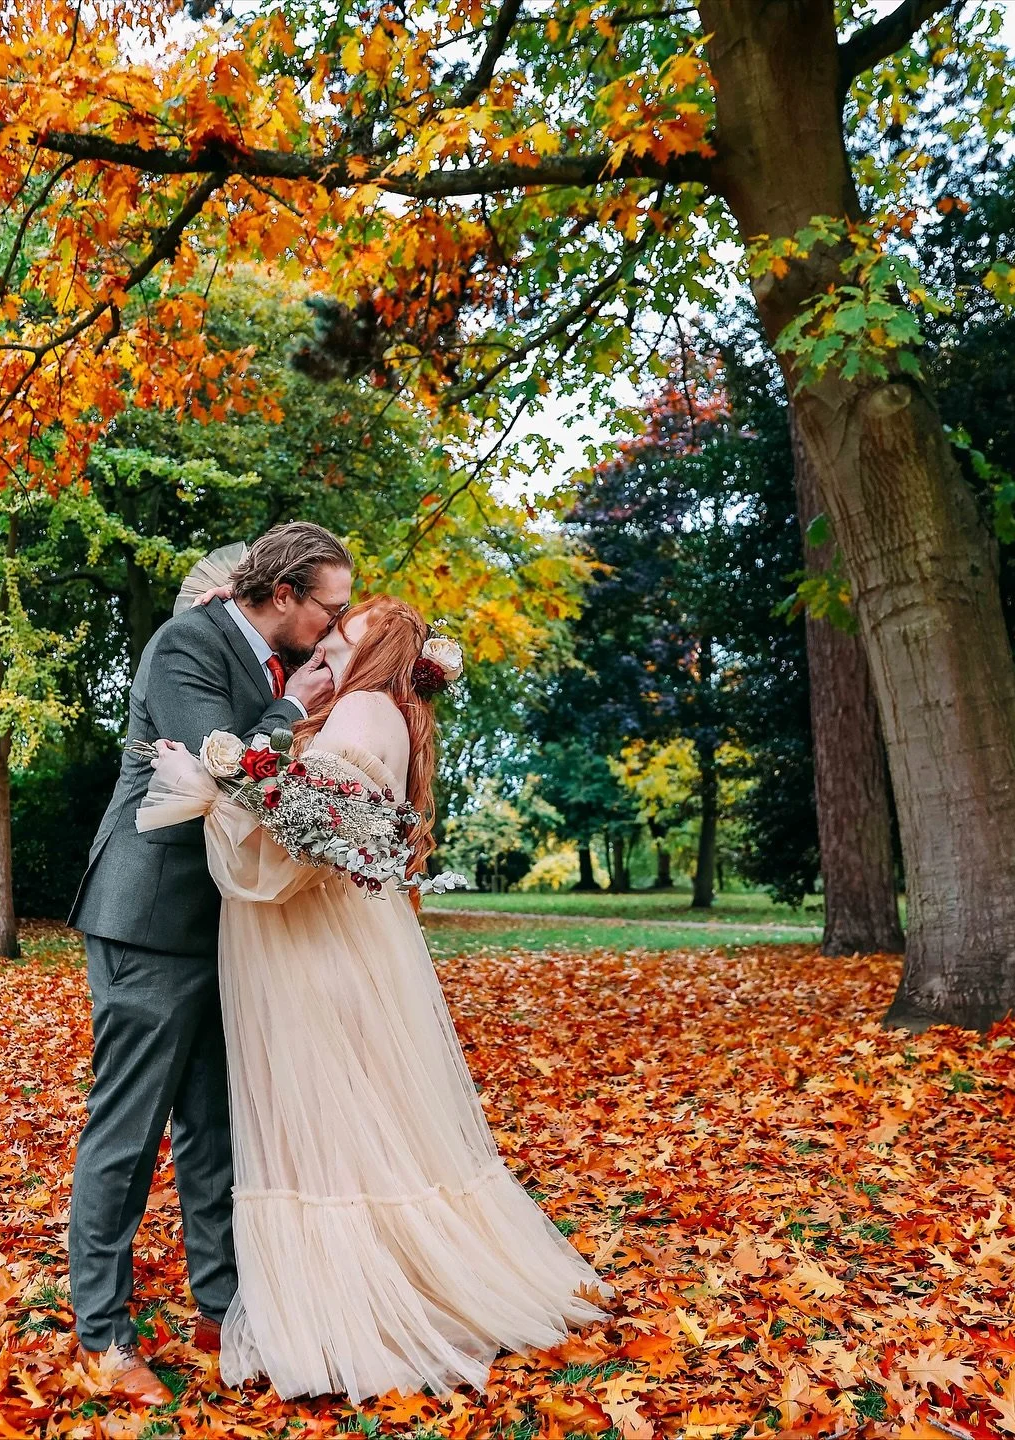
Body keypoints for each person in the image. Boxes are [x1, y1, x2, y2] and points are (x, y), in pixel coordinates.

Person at [136, 594, 612, 1404]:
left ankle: (352, 1318)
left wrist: (212, 789)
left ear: (376, 652)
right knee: (359, 1124)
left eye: (340, 636)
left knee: (330, 1129)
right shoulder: (388, 715)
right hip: (337, 944)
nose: (324, 645)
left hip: (312, 947)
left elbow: (296, 855)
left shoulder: (360, 713)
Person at [66, 522, 352, 1405]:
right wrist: (294, 711)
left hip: (221, 927)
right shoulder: (185, 643)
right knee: (128, 1131)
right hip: (149, 918)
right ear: (283, 595)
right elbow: (225, 768)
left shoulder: (271, 661)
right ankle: (102, 1338)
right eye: (330, 609)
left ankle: (220, 1312)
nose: (336, 628)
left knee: (212, 1128)